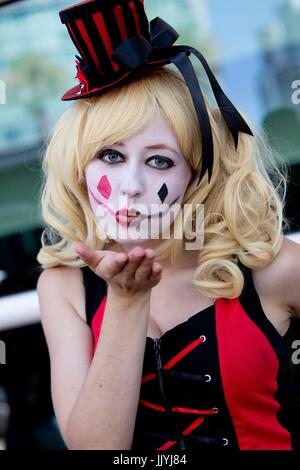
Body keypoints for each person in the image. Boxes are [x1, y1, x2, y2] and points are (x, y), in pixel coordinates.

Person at [36, 0, 300, 451]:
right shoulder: (64, 287)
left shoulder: (271, 268)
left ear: (195, 176)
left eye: (159, 160)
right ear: (79, 167)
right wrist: (126, 300)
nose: (131, 186)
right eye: (111, 155)